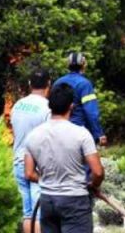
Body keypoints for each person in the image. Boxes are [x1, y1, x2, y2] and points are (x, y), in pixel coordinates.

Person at [24, 83, 104, 233]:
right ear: (72, 106)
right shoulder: (81, 134)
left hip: (48, 201)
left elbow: (28, 173)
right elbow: (98, 172)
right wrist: (93, 185)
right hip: (75, 202)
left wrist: (48, 180)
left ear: (50, 105)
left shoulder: (33, 135)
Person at [10, 69, 52, 233]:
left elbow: (15, 133)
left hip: (18, 161)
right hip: (37, 166)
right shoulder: (48, 108)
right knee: (39, 214)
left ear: (29, 84)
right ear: (49, 84)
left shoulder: (18, 105)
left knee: (27, 214)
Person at [53, 52, 106, 146]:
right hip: (79, 131)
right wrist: (99, 134)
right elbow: (91, 112)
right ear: (83, 65)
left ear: (68, 65)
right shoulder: (85, 84)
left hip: (57, 131)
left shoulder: (57, 82)